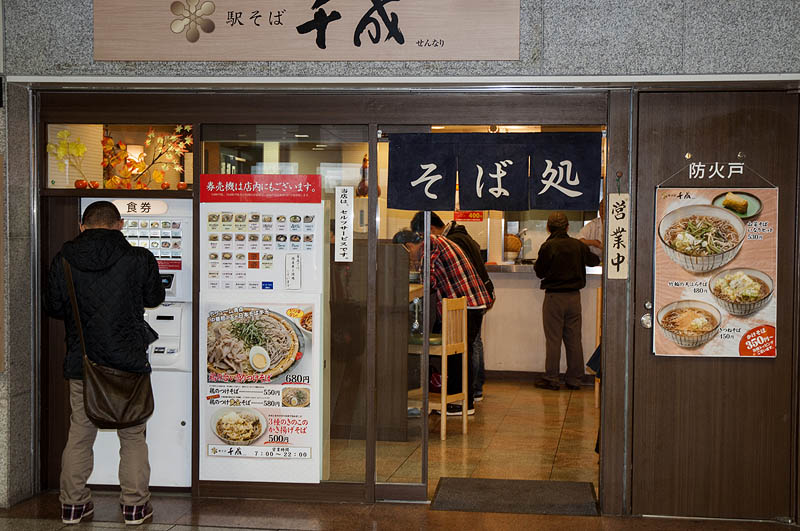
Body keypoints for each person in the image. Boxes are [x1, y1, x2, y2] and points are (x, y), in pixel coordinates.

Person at [44, 201, 165, 526]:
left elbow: (53, 306)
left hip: (82, 363)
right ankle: (135, 508)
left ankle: (72, 506)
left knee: (80, 433)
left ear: (83, 226)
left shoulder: (64, 258)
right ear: (120, 224)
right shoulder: (139, 258)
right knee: (133, 435)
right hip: (129, 364)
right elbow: (154, 298)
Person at [396, 228, 492, 415]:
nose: (412, 259)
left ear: (408, 247)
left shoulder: (429, 245)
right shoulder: (435, 241)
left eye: (409, 255)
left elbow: (428, 281)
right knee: (460, 352)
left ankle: (461, 403)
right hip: (470, 301)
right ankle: (463, 400)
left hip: (466, 303)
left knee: (458, 354)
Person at [533, 212, 600, 391]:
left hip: (554, 297)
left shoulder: (548, 246)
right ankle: (574, 379)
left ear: (548, 227)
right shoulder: (577, 245)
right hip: (574, 297)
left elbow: (539, 272)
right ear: (567, 227)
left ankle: (552, 378)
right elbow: (594, 260)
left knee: (553, 339)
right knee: (574, 339)